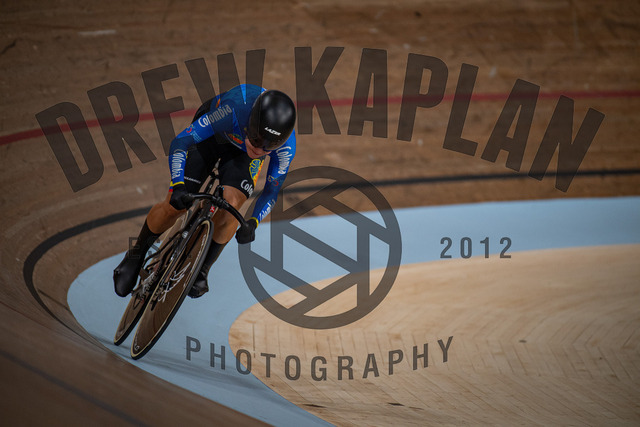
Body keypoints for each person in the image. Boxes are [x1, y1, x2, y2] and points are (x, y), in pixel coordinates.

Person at [113, 84, 296, 298]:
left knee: (231, 208)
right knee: (174, 206)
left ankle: (203, 268)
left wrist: (253, 222)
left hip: (241, 157)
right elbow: (181, 142)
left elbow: (272, 192)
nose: (259, 149)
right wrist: (178, 185)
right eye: (257, 139)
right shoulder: (231, 111)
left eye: (268, 147)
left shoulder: (285, 147)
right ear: (251, 123)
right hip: (213, 137)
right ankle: (136, 254)